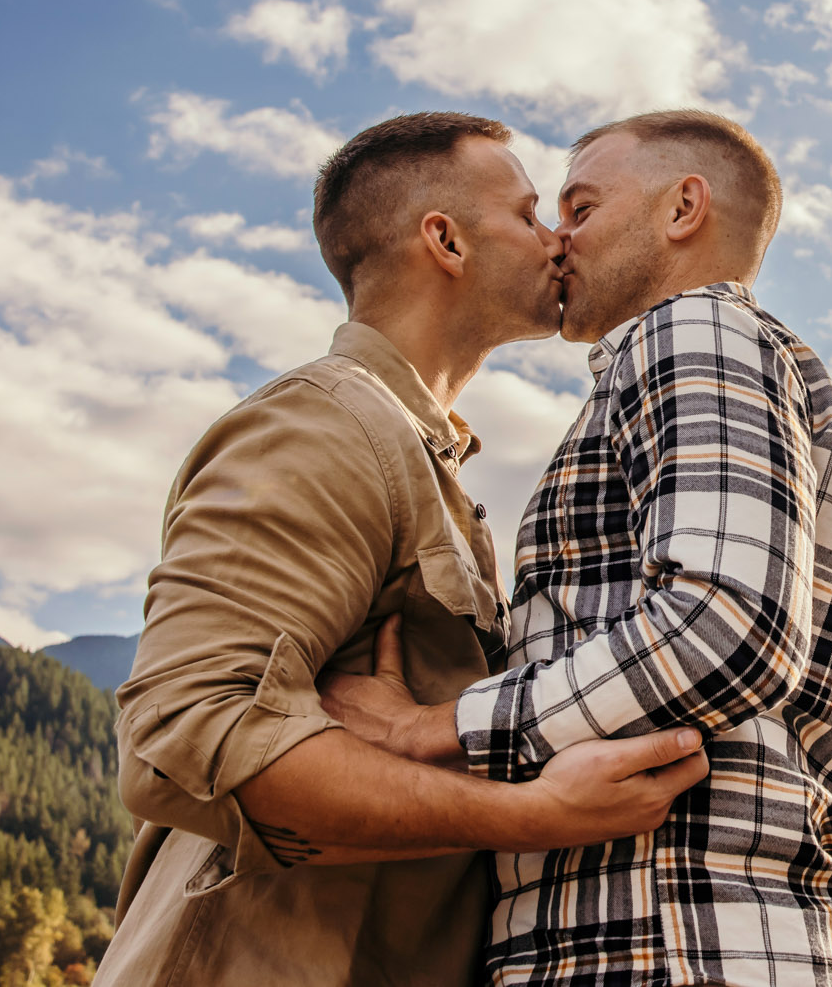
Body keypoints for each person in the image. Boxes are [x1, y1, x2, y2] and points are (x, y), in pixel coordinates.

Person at [95, 112, 709, 987]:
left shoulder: (430, 465)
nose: (557, 239)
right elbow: (187, 730)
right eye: (531, 213)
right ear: (446, 241)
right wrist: (530, 815)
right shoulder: (322, 423)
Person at [323, 110, 832, 987]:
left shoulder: (695, 329)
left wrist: (428, 730)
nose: (557, 239)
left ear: (682, 208)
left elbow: (726, 623)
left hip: (673, 945)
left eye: (580, 208)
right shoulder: (692, 366)